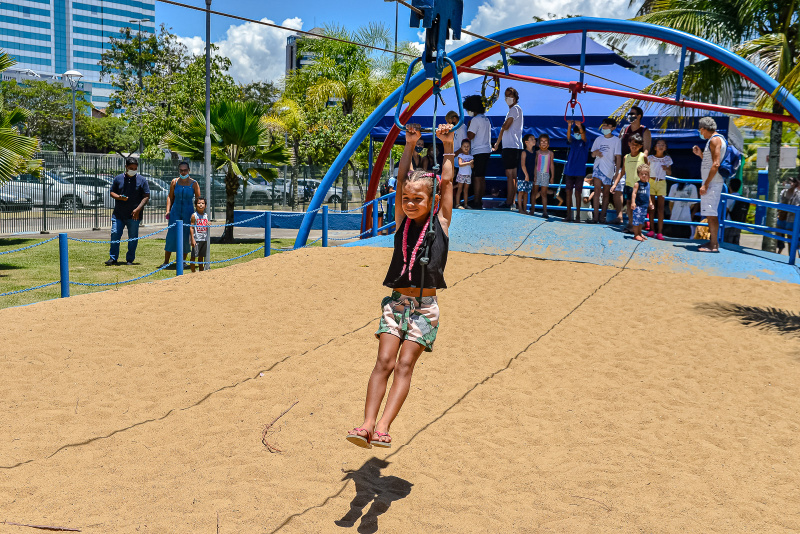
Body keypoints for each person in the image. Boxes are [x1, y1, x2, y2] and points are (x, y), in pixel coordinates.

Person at [346, 122, 454, 449]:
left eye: (417, 199)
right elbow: (398, 184)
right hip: (397, 304)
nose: (409, 203)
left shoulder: (442, 222)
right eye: (406, 199)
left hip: (424, 309)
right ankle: (366, 424)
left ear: (432, 200)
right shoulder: (401, 221)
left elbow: (447, 182)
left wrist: (447, 145)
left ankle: (383, 427)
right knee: (384, 362)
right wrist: (409, 145)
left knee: (405, 365)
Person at [106, 157, 150, 266]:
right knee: (115, 234)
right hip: (118, 214)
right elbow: (112, 192)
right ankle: (113, 258)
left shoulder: (142, 180)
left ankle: (130, 259)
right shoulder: (118, 179)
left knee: (133, 237)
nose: (133, 170)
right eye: (131, 168)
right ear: (126, 167)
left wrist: (138, 209)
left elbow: (146, 196)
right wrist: (119, 197)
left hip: (134, 215)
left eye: (135, 168)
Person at [693, 116, 726, 252]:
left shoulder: (714, 140)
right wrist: (701, 155)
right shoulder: (717, 139)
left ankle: (713, 244)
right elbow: (712, 162)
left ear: (703, 128)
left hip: (712, 183)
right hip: (713, 181)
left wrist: (705, 184)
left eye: (701, 131)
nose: (701, 134)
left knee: (711, 214)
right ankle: (713, 243)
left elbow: (716, 164)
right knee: (710, 214)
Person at [162, 161, 202, 267]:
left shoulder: (194, 183)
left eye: (185, 170)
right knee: (171, 236)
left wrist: (199, 214)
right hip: (175, 212)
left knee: (185, 236)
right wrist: (168, 210)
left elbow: (199, 200)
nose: (183, 172)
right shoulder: (174, 182)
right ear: (179, 171)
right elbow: (170, 197)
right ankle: (166, 262)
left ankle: (182, 262)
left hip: (188, 212)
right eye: (181, 170)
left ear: (189, 171)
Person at [493, 87, 523, 209]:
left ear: (515, 97)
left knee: (511, 175)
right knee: (511, 175)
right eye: (506, 96)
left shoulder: (515, 109)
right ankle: (511, 202)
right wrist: (498, 142)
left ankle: (509, 202)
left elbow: (505, 126)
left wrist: (497, 142)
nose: (507, 98)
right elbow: (503, 128)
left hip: (512, 146)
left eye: (510, 95)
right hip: (510, 146)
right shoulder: (513, 110)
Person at [590, 118, 622, 223]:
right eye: (603, 125)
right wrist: (596, 153)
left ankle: (602, 217)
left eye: (607, 126)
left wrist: (616, 172)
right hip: (598, 168)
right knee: (597, 191)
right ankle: (595, 217)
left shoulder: (616, 140)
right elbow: (592, 154)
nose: (604, 127)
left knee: (606, 194)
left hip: (609, 169)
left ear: (613, 128)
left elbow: (618, 157)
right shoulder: (598, 139)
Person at [614, 133, 647, 231]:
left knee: (637, 206)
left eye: (636, 145)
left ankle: (637, 226)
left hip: (639, 186)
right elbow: (622, 171)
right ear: (629, 144)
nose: (634, 146)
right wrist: (615, 184)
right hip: (628, 185)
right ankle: (630, 223)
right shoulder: (626, 157)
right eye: (632, 144)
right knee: (628, 203)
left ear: (640, 146)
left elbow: (647, 172)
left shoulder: (643, 157)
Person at [464, 95, 491, 209]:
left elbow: (470, 136)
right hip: (486, 149)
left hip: (478, 151)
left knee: (477, 177)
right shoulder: (486, 119)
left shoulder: (475, 120)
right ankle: (479, 200)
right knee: (482, 177)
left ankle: (476, 201)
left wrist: (469, 126)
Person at [646, 139, 673, 240]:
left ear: (665, 147)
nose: (661, 146)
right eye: (659, 144)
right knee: (651, 207)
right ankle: (652, 230)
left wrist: (666, 169)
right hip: (651, 182)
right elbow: (646, 170)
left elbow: (670, 173)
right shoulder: (650, 158)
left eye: (663, 144)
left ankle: (660, 232)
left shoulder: (668, 159)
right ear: (655, 147)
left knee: (661, 209)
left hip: (662, 183)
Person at [564, 119, 589, 223]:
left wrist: (580, 127)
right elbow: (568, 137)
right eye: (576, 133)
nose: (577, 134)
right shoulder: (573, 141)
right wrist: (569, 125)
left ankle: (578, 216)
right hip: (569, 170)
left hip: (579, 171)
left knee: (578, 194)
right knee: (568, 192)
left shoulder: (585, 142)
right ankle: (569, 215)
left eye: (578, 132)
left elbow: (583, 138)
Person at [630, 163, 654, 242]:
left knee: (641, 221)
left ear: (648, 175)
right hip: (638, 206)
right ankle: (636, 234)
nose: (644, 175)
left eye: (646, 174)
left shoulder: (648, 184)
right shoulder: (637, 184)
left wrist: (650, 203)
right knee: (636, 221)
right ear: (638, 174)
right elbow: (634, 193)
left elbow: (648, 194)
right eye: (642, 174)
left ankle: (640, 233)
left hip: (644, 206)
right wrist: (633, 203)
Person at [776, 176, 800, 254]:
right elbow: (781, 203)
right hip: (783, 218)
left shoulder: (798, 193)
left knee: (791, 242)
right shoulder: (784, 192)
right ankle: (781, 250)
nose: (790, 183)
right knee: (779, 236)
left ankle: (792, 258)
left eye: (792, 181)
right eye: (788, 181)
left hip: (792, 220)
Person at [533, 133, 555, 218]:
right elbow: (535, 165)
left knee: (544, 193)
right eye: (542, 141)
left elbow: (551, 165)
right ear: (538, 143)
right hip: (537, 173)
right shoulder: (537, 153)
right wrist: (534, 175)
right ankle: (532, 209)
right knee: (534, 192)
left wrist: (552, 176)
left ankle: (545, 211)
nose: (543, 143)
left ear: (548, 143)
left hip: (546, 174)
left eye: (545, 141)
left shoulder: (551, 153)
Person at [724, 177, 748, 246]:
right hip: (738, 225)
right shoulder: (741, 198)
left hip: (728, 225)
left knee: (727, 246)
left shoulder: (729, 198)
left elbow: (725, 211)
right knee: (736, 246)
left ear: (730, 187)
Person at [518, 133, 536, 215]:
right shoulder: (524, 152)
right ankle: (520, 208)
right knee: (521, 192)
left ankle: (525, 209)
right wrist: (526, 175)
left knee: (526, 192)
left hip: (531, 175)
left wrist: (534, 175)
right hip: (523, 175)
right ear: (526, 142)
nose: (534, 140)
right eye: (531, 139)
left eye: (534, 139)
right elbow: (523, 164)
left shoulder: (534, 153)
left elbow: (535, 165)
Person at [190, 197, 209, 273]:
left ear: (205, 206)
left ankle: (201, 272)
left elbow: (207, 223)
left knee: (201, 257)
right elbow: (191, 227)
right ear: (195, 205)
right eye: (199, 203)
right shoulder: (194, 216)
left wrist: (209, 223)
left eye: (203, 203)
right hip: (197, 239)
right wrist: (192, 239)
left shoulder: (206, 215)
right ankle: (193, 272)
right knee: (194, 256)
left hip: (204, 239)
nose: (201, 205)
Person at [456, 139, 473, 209]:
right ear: (461, 147)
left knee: (466, 190)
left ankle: (466, 204)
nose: (466, 148)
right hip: (461, 174)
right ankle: (457, 204)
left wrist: (472, 163)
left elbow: (472, 166)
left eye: (468, 146)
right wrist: (469, 163)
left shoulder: (471, 156)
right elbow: (460, 164)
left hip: (468, 175)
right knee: (459, 189)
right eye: (464, 146)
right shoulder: (460, 155)